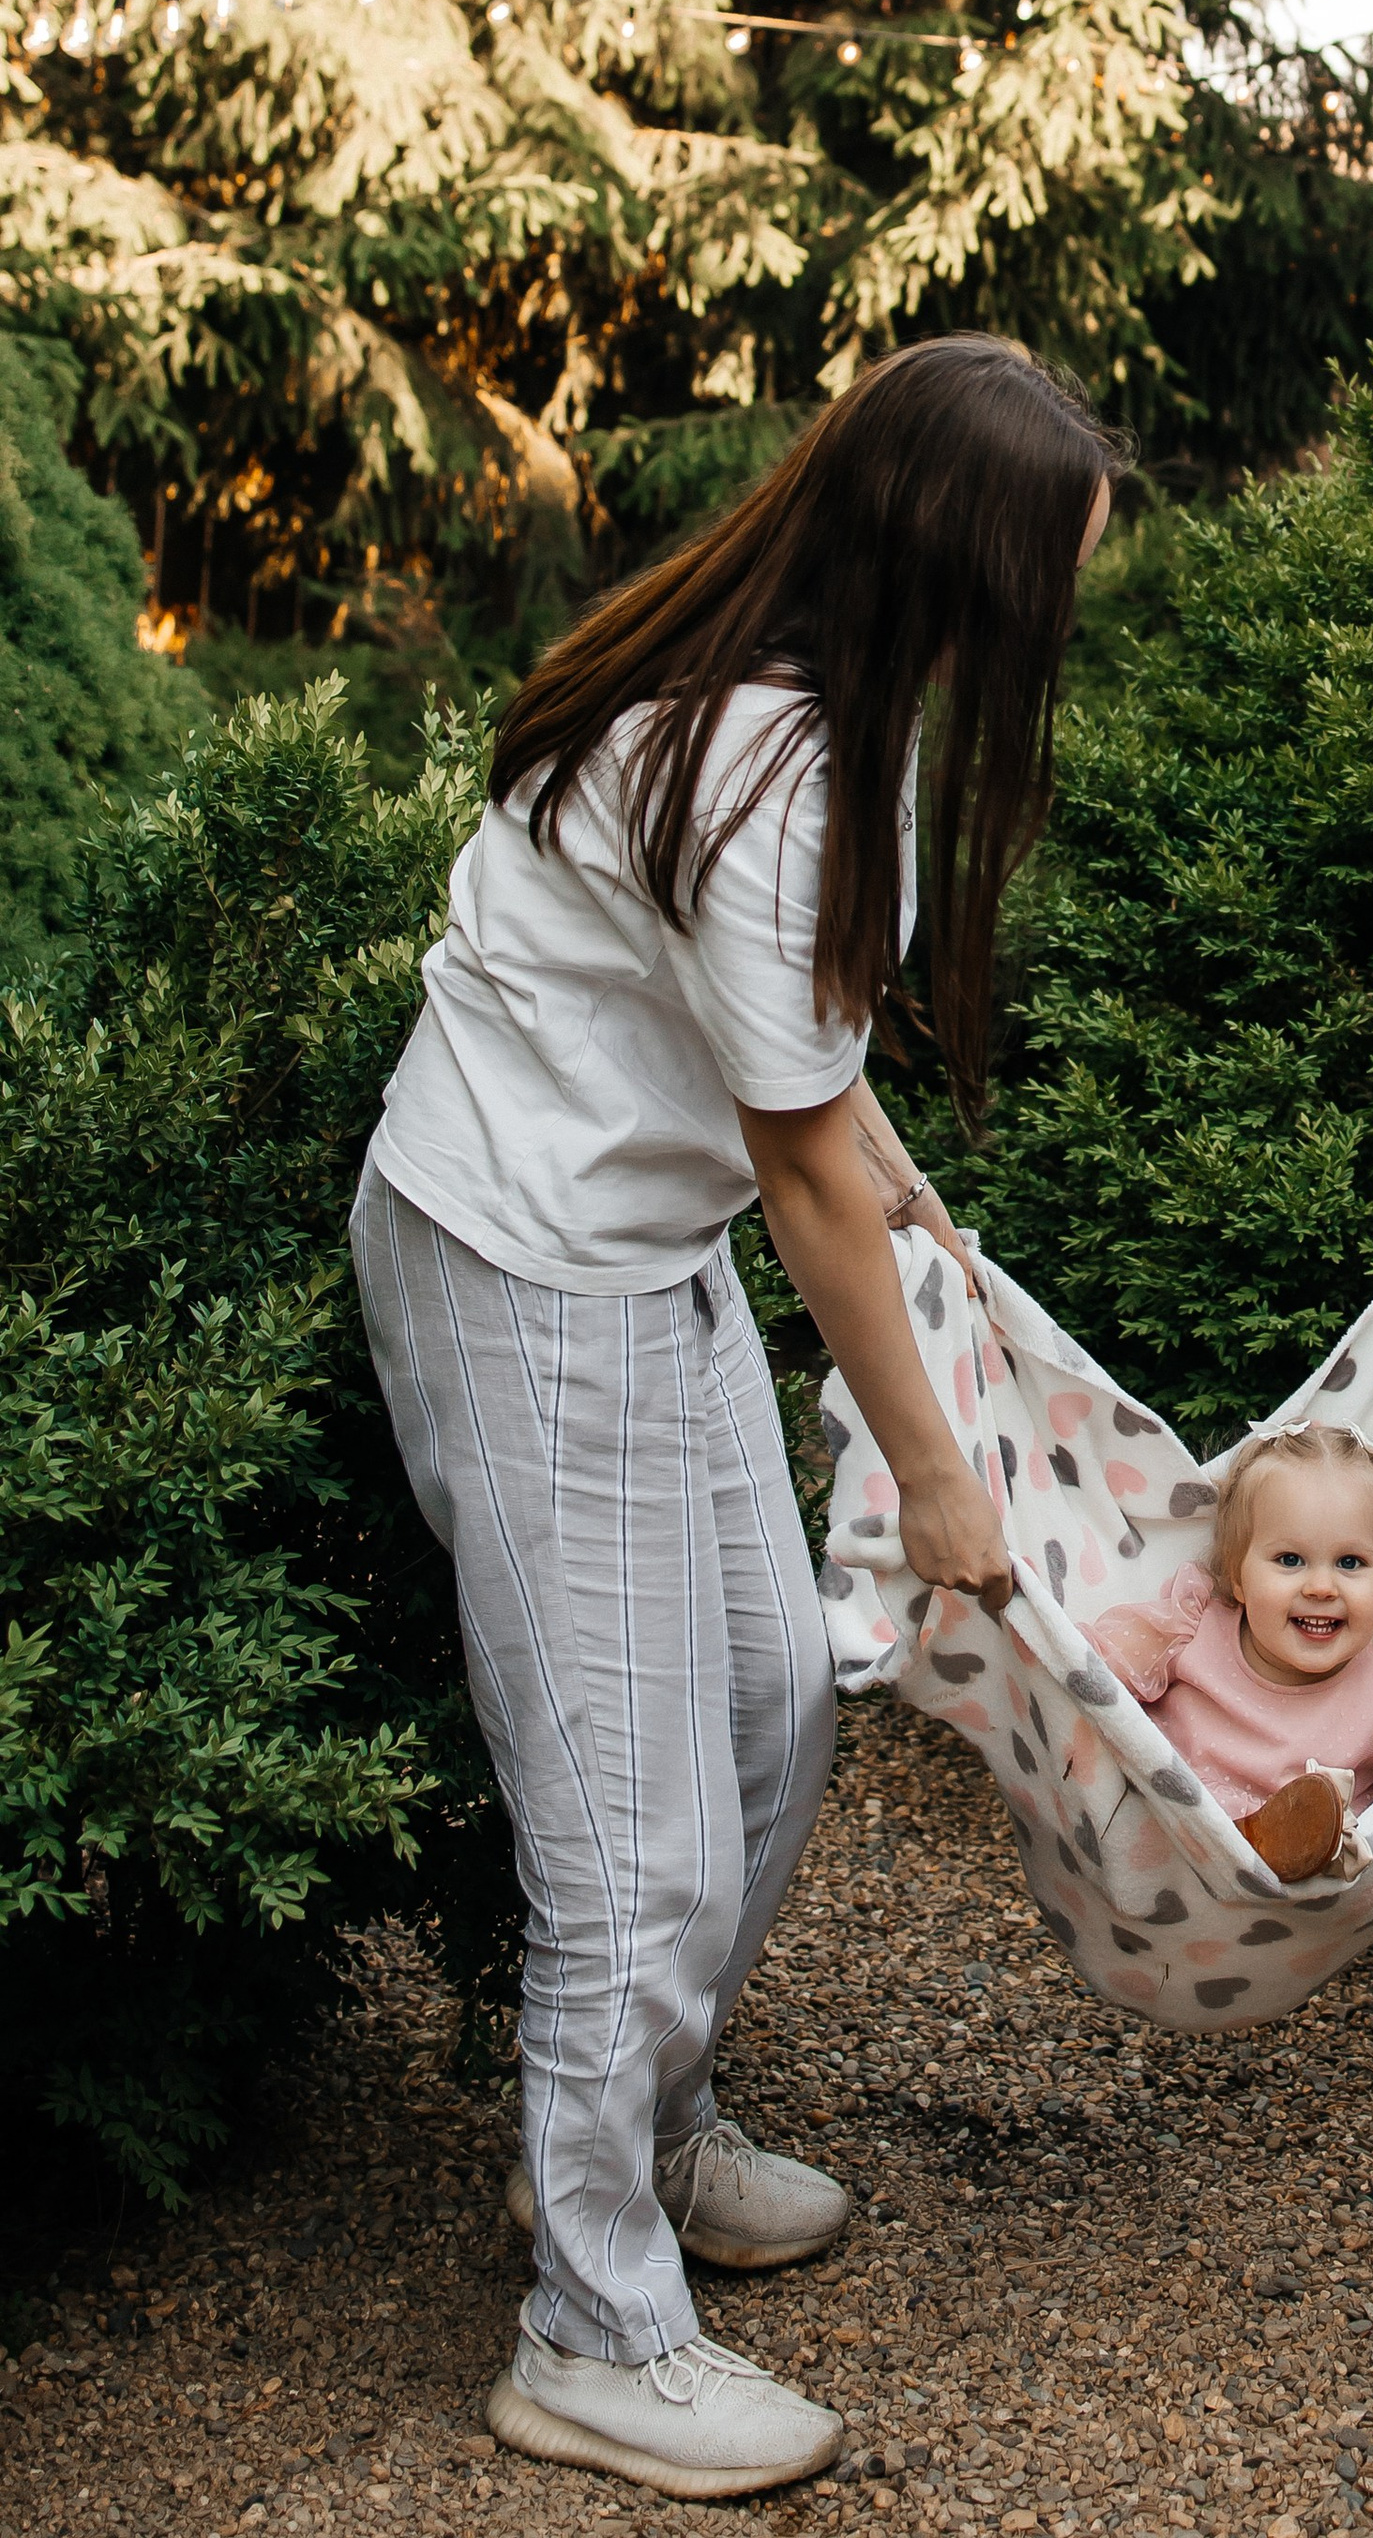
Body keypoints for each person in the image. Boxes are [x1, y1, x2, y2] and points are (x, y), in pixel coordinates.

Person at [352, 335, 1121, 2500]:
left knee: (777, 1701)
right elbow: (790, 1173)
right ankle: (591, 2330)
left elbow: (777, 1085)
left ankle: (648, 2138)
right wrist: (946, 1479)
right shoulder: (769, 760)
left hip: (636, 1241)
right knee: (631, 1839)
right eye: (1043, 590)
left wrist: (867, 1139)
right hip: (524, 1265)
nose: (1054, 632)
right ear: (945, 574)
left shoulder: (790, 696)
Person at [1090, 1424, 1373, 1876]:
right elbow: (1089, 1671)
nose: (1322, 1587)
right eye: (1290, 1560)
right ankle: (1240, 1839)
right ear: (1239, 1577)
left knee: (1315, 1824)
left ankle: (1267, 1845)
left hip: (1299, 1877)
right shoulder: (1192, 1627)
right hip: (1166, 1833)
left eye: (1351, 1563)